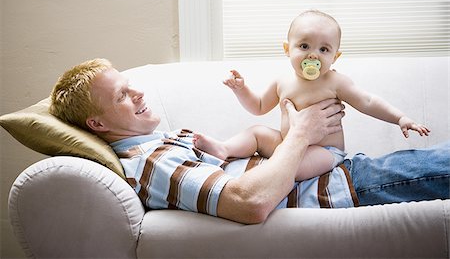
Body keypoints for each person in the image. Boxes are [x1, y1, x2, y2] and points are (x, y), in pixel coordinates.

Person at [49, 58, 449, 224]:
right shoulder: (152, 163)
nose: (137, 94)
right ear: (97, 123)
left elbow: (249, 148)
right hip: (343, 189)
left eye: (129, 85)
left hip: (342, 173)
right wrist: (303, 133)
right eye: (121, 95)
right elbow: (250, 203)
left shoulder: (164, 142)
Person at [193, 10, 430, 180]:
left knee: (295, 167)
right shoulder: (281, 81)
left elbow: (368, 101)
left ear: (335, 56)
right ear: (288, 49)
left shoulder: (335, 81)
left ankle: (271, 174)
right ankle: (224, 148)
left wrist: (400, 118)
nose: (313, 55)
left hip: (324, 152)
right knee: (257, 132)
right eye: (304, 46)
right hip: (287, 145)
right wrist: (241, 89)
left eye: (324, 49)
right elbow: (258, 106)